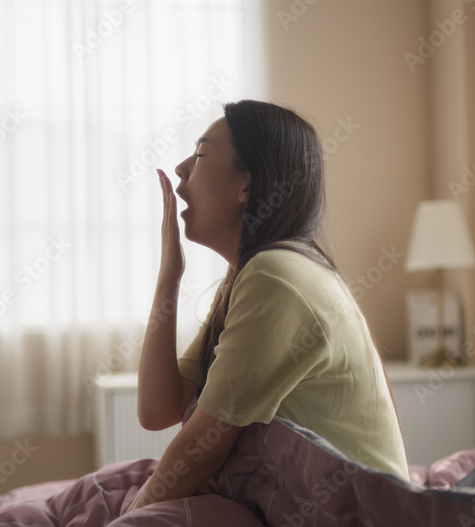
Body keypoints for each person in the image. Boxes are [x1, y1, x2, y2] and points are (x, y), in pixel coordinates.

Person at [128, 99, 409, 512]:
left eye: (202, 154)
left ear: (247, 185)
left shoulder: (275, 277)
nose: (182, 168)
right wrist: (168, 279)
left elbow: (201, 450)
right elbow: (158, 409)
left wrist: (129, 517)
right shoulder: (249, 277)